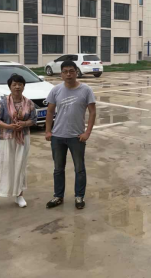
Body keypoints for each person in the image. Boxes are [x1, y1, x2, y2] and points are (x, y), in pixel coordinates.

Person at [45, 60, 96, 210]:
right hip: (57, 136)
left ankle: (79, 196)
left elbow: (92, 112)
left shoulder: (86, 90)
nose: (68, 74)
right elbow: (50, 112)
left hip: (77, 137)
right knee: (58, 169)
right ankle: (58, 196)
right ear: (61, 74)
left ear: (76, 72)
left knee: (79, 168)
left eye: (71, 71)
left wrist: (87, 132)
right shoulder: (56, 90)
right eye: (65, 71)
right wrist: (48, 131)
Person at [0, 74, 37, 214]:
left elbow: (33, 120)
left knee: (20, 166)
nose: (17, 87)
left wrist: (24, 124)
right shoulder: (2, 103)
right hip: (6, 138)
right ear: (10, 86)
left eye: (20, 84)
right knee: (2, 166)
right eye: (14, 84)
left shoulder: (29, 103)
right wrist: (9, 126)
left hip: (23, 138)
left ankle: (19, 195)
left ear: (24, 86)